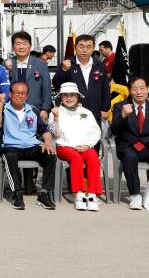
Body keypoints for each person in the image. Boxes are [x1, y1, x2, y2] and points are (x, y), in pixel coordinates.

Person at [111, 76, 149, 213]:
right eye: (135, 89)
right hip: (128, 146)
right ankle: (135, 195)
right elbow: (113, 131)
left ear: (148, 89)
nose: (139, 92)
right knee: (130, 157)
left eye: (142, 88)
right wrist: (122, 116)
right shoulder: (120, 106)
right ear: (130, 90)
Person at [0, 81, 57, 210]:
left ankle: (44, 194)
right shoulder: (3, 109)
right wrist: (0, 104)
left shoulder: (33, 110)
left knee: (50, 155)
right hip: (11, 145)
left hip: (31, 145)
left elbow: (44, 130)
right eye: (17, 93)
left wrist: (48, 142)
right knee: (9, 155)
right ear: (10, 94)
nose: (20, 96)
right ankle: (17, 193)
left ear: (27, 96)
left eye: (23, 93)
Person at [50, 82, 104, 211]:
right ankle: (78, 195)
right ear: (61, 97)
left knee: (93, 157)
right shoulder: (56, 112)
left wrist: (88, 145)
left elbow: (95, 131)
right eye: (65, 95)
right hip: (64, 146)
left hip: (84, 146)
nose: (69, 98)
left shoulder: (86, 112)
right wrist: (56, 118)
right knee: (76, 158)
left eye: (72, 95)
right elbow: (55, 134)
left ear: (78, 97)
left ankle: (91, 194)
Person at [52, 34, 111, 124]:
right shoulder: (67, 64)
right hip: (73, 112)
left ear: (93, 48)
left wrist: (105, 108)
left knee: (95, 132)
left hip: (95, 111)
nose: (85, 50)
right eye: (81, 46)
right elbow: (56, 85)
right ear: (75, 47)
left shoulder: (99, 65)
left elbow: (105, 88)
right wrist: (63, 70)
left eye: (88, 47)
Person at [9, 31, 52, 121]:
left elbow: (46, 87)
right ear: (13, 46)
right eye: (18, 44)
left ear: (30, 46)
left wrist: (45, 109)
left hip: (35, 109)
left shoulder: (40, 64)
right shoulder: (7, 63)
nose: (21, 47)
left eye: (24, 44)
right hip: (11, 111)